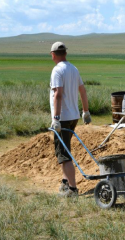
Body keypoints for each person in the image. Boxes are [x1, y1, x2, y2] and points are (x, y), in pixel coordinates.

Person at [50, 41, 91, 197]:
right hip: (73, 116)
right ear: (65, 53)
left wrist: (56, 118)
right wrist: (85, 111)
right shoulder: (73, 68)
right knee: (64, 149)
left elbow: (58, 95)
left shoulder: (57, 71)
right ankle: (65, 183)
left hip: (63, 118)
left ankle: (73, 190)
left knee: (64, 154)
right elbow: (83, 91)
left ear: (53, 55)